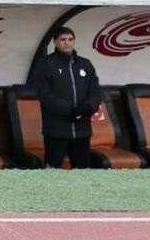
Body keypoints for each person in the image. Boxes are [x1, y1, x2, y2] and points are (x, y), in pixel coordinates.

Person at [32, 26, 101, 169]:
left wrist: (86, 108)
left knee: (82, 172)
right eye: (63, 39)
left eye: (70, 39)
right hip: (56, 130)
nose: (67, 43)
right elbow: (45, 94)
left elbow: (95, 91)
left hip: (82, 130)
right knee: (52, 171)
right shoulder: (46, 64)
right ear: (55, 42)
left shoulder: (85, 64)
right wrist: (70, 110)